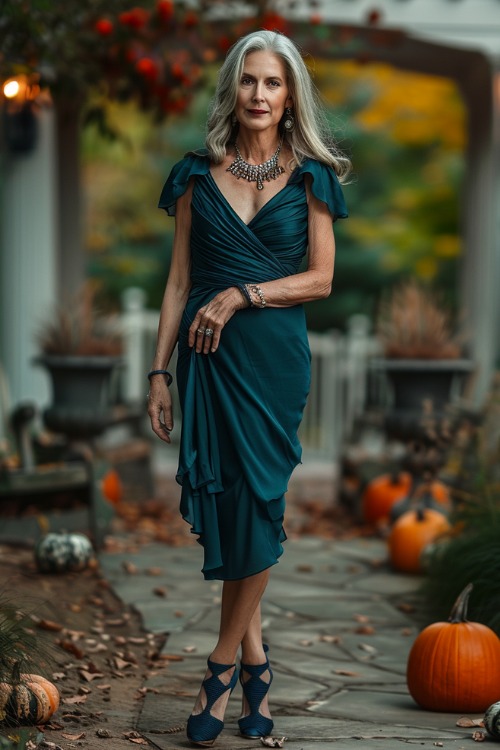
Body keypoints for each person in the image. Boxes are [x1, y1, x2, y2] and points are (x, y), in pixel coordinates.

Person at [147, 29, 350, 747]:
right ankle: (258, 670)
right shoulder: (195, 176)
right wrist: (159, 371)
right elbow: (176, 284)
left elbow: (322, 280)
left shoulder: (311, 177)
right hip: (206, 366)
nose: (259, 95)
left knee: (260, 506)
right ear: (231, 90)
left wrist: (241, 295)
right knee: (235, 511)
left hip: (273, 365)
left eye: (273, 83)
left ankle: (221, 666)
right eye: (248, 81)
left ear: (290, 95)